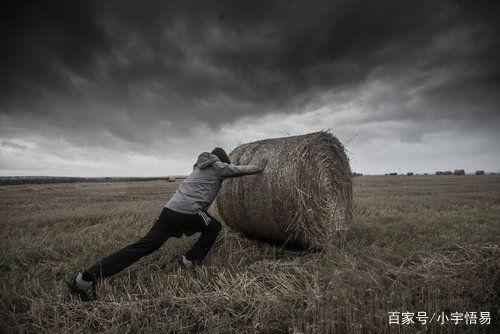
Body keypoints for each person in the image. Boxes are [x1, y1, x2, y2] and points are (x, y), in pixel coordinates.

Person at [66, 147, 264, 301]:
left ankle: (85, 278)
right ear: (220, 160)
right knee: (214, 227)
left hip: (169, 211)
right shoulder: (218, 166)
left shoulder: (197, 168)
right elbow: (240, 170)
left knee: (142, 247)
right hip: (190, 211)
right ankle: (191, 259)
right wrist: (261, 168)